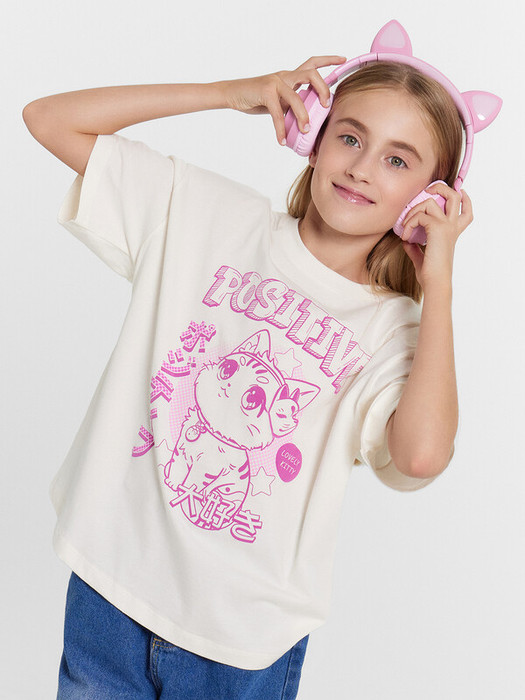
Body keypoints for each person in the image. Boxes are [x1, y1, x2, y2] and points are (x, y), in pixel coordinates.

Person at [22, 20, 500, 700]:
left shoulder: (393, 330)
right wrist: (227, 92)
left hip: (241, 646)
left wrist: (440, 281)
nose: (362, 167)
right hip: (111, 594)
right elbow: (48, 119)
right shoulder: (203, 214)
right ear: (312, 137)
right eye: (350, 137)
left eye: (398, 161)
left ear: (430, 197)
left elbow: (421, 456)